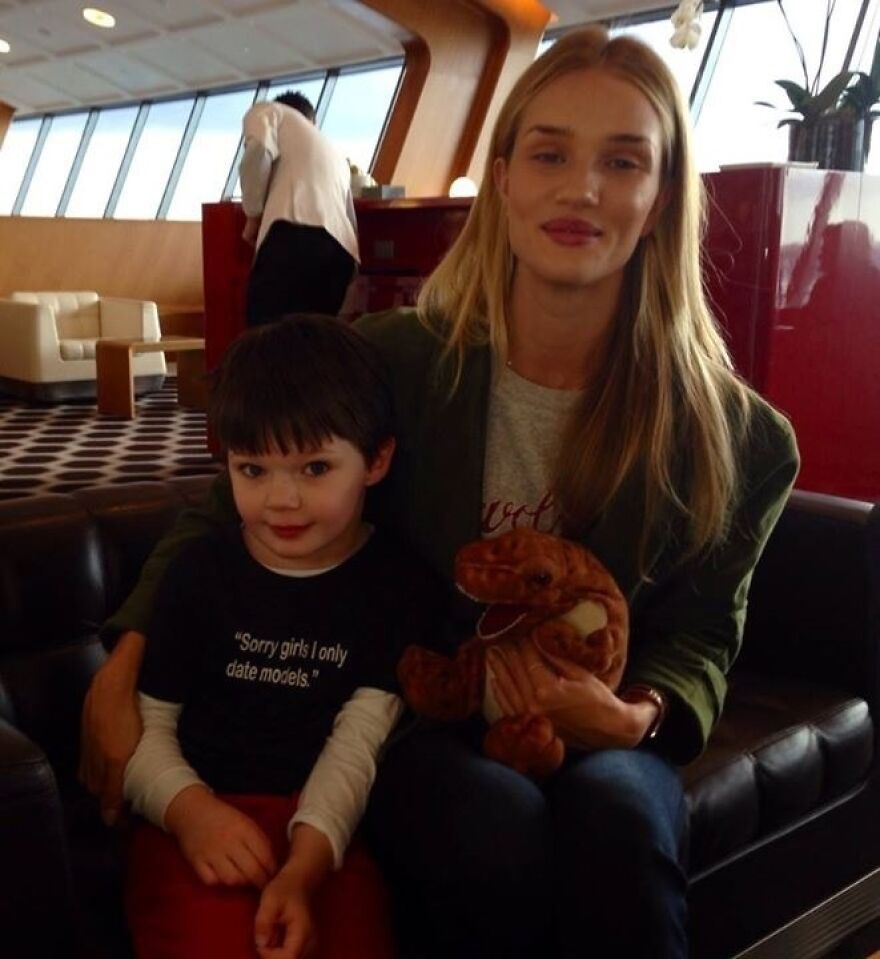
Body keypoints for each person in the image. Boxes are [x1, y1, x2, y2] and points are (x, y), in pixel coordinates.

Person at [81, 25, 800, 959]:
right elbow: (228, 509)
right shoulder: (395, 362)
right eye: (550, 154)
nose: (581, 189)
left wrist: (635, 716)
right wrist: (122, 666)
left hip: (602, 721)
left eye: (622, 162)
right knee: (486, 821)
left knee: (622, 823)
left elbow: (703, 633)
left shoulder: (740, 438)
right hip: (431, 707)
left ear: (660, 197)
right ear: (502, 178)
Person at [122, 315, 445, 959]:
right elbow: (144, 727)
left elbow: (358, 744)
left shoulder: (398, 585)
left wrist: (305, 865)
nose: (281, 500)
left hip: (326, 830)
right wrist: (190, 812)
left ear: (376, 460)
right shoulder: (198, 573)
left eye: (315, 467)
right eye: (253, 470)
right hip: (188, 815)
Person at [240, 92, 359, 325]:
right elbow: (349, 218)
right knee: (313, 338)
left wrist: (252, 214)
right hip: (341, 256)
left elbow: (258, 151)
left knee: (267, 333)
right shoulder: (335, 153)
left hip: (295, 237)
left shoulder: (268, 110)